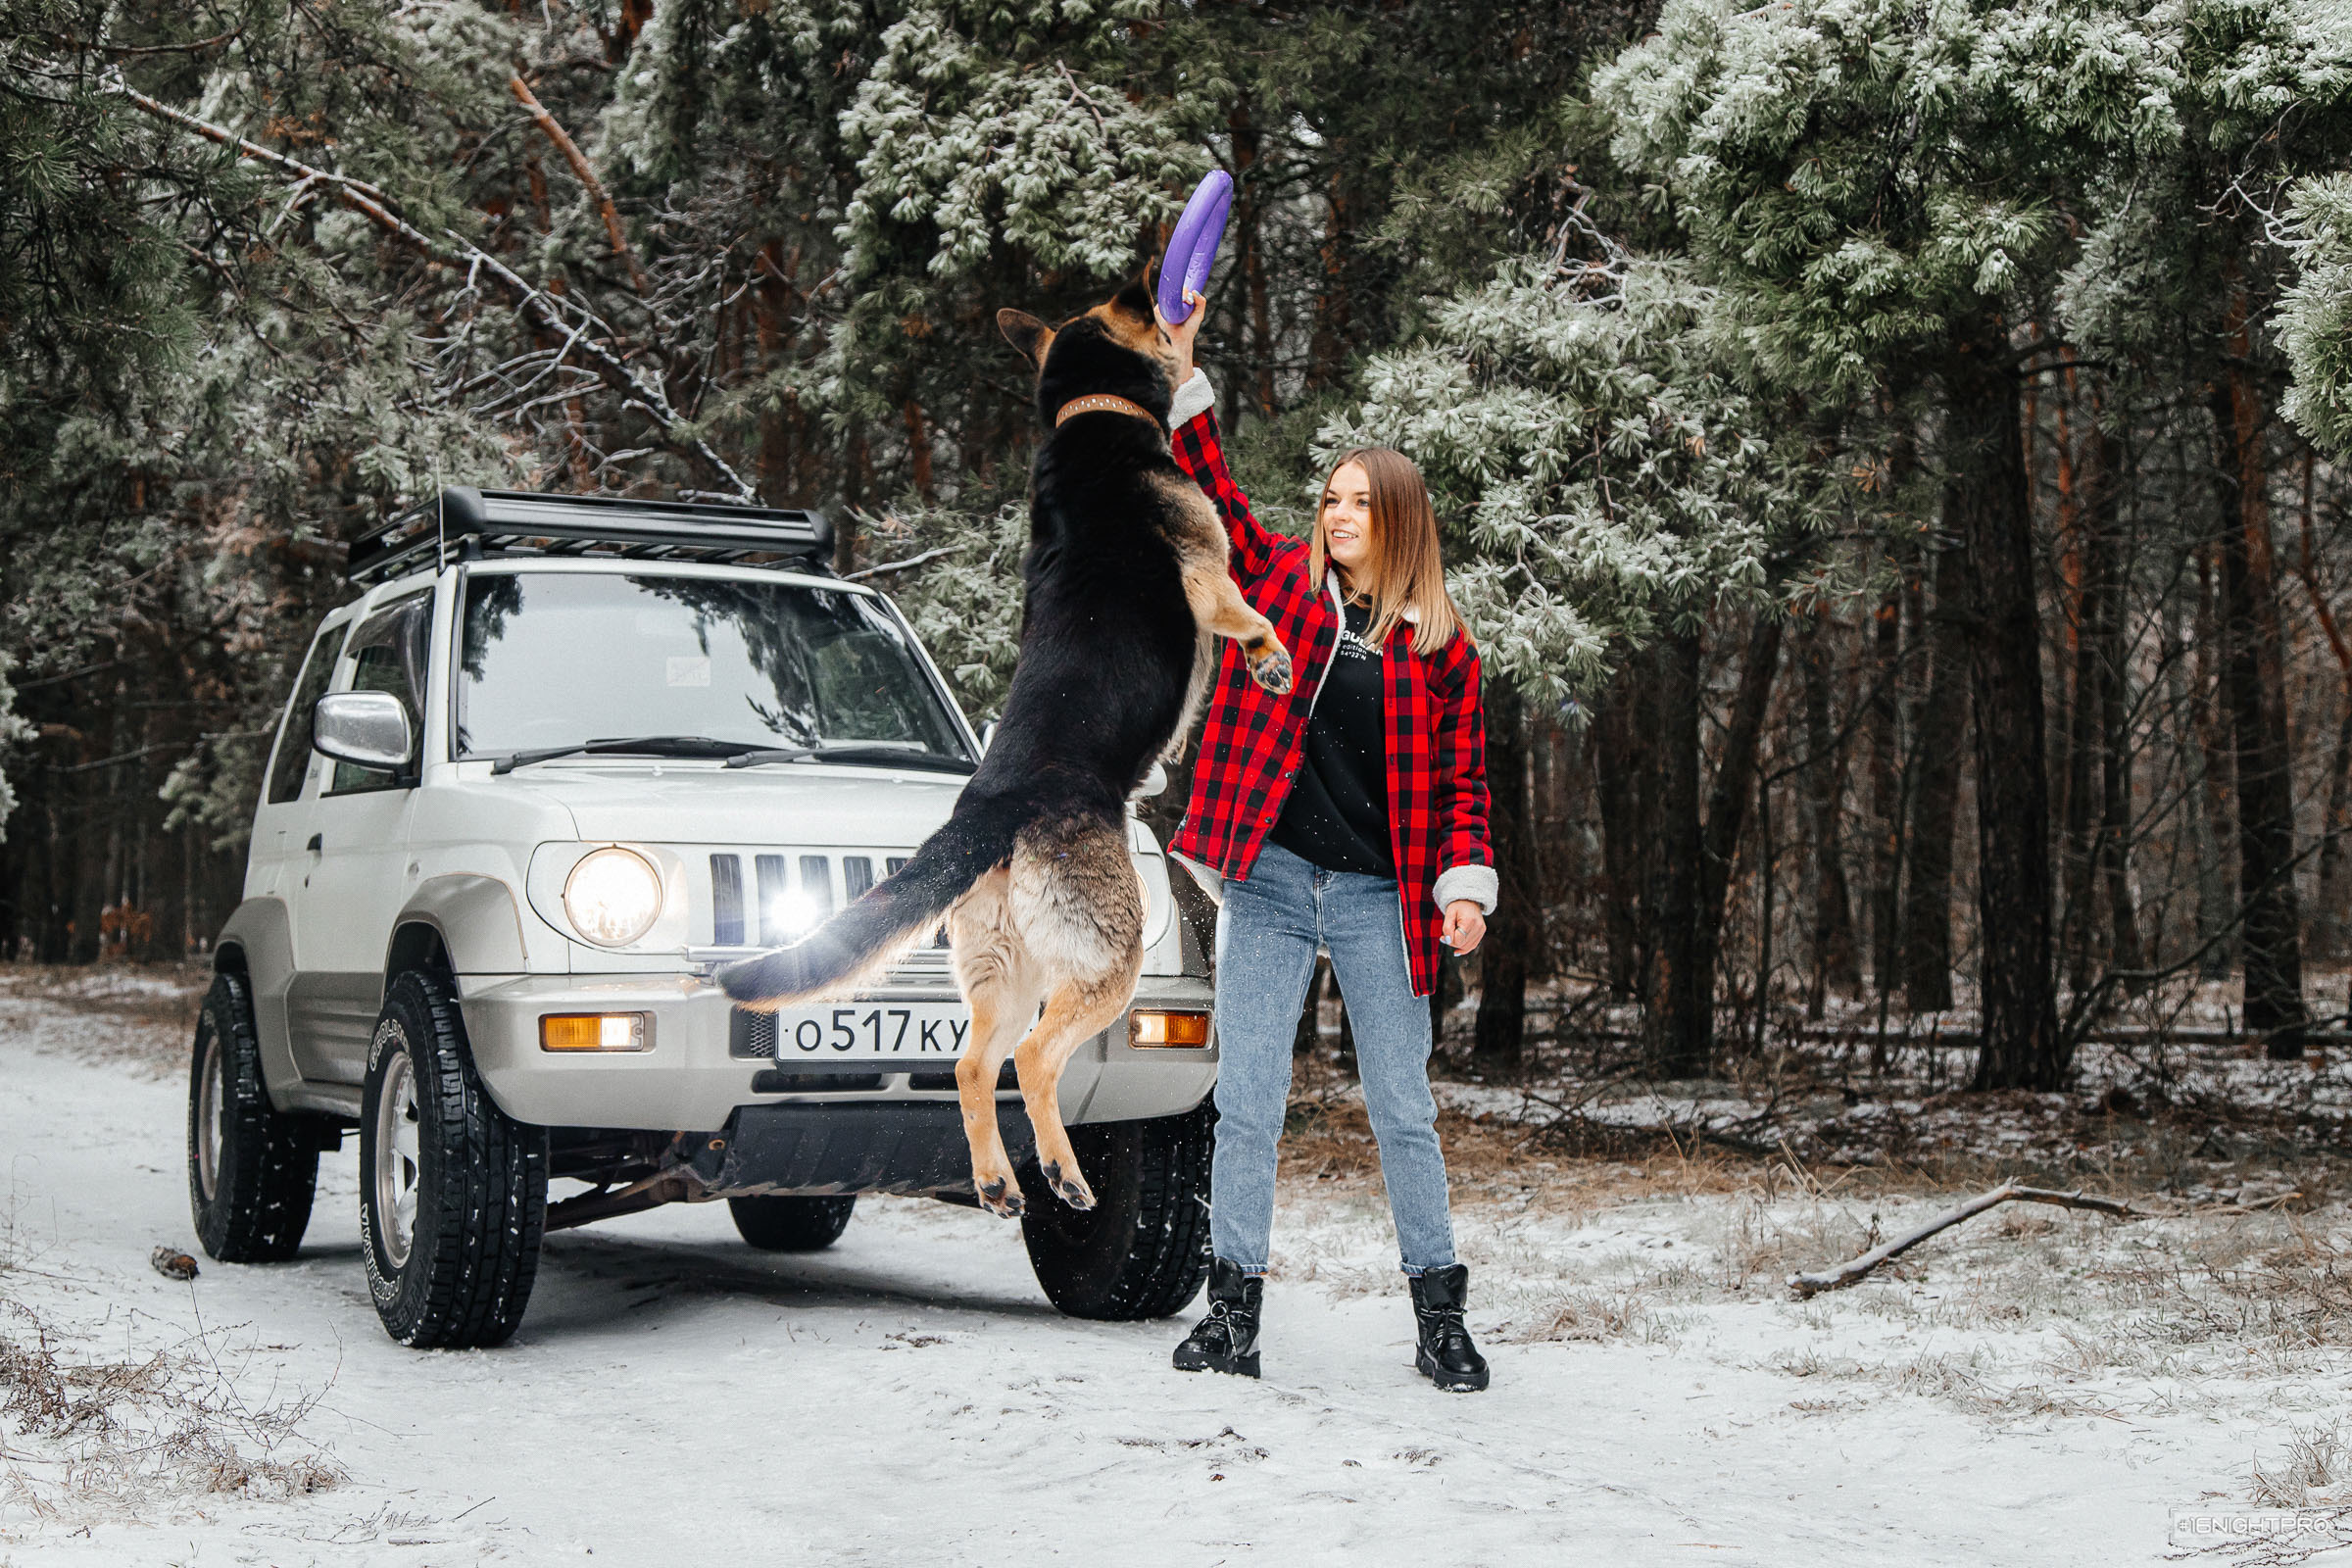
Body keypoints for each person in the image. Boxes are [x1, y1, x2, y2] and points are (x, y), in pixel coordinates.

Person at [1156, 289, 1496, 1393]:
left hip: (1379, 898)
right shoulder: (1287, 597)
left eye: (1359, 502)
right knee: (1246, 1098)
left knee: (1403, 1106)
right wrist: (1183, 360)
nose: (1336, 513)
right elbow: (1212, 486)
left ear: (1397, 519)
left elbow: (1463, 784)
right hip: (1267, 878)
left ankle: (1440, 1319)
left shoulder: (1443, 650)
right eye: (1330, 498)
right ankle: (1233, 1318)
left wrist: (1464, 888)